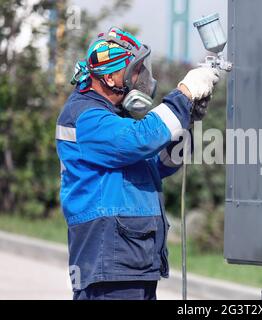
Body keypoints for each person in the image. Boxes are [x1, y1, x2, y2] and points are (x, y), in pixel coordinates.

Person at [55, 27, 220, 300]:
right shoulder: (85, 116)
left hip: (131, 261)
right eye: (134, 71)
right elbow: (141, 139)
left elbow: (164, 163)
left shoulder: (115, 118)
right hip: (109, 261)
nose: (140, 78)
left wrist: (187, 121)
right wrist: (183, 95)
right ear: (109, 77)